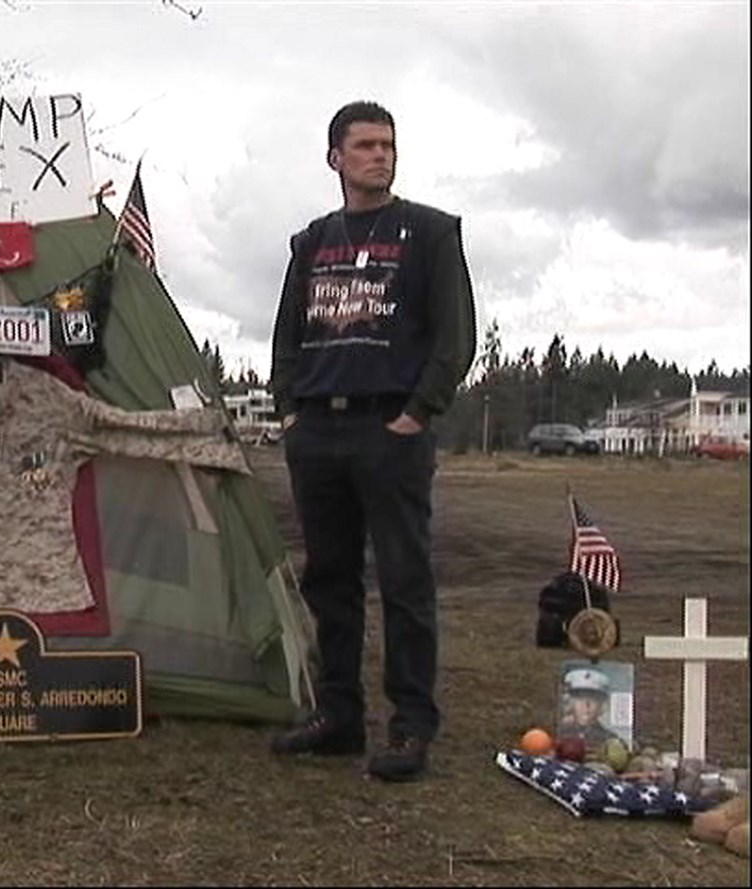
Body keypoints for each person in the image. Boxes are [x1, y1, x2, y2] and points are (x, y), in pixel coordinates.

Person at [268, 100, 476, 781]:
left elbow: (455, 339)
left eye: (387, 145)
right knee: (330, 581)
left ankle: (411, 726)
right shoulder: (312, 242)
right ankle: (338, 716)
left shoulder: (431, 233)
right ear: (336, 158)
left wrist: (417, 413)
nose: (380, 155)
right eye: (364, 146)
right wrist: (290, 412)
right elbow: (286, 337)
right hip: (318, 431)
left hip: (391, 429)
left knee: (404, 581)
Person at [558, 667, 621, 750]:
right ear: (571, 702)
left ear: (601, 705)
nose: (586, 704)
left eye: (593, 698)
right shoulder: (559, 734)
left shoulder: (611, 740)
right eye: (580, 698)